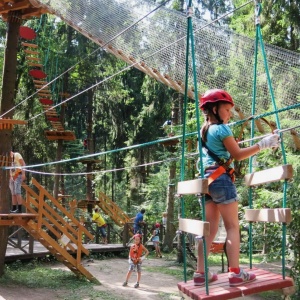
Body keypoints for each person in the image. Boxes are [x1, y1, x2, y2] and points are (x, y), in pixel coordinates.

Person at [194, 89, 279, 287]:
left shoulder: (204, 130)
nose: (229, 114)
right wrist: (263, 144)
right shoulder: (222, 130)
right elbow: (239, 155)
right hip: (221, 180)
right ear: (214, 109)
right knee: (232, 226)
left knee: (209, 230)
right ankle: (235, 273)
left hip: (206, 181)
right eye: (226, 109)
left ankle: (200, 273)